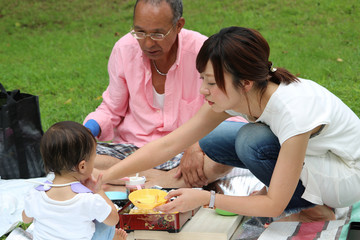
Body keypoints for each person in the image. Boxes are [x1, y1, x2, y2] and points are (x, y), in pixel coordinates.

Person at [101, 26, 360, 223]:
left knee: (252, 141)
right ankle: (294, 192)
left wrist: (207, 198)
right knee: (213, 138)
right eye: (202, 78)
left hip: (347, 175)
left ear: (245, 82)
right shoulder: (245, 92)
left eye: (211, 83)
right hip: (318, 155)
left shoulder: (293, 112)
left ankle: (309, 206)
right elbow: (170, 143)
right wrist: (104, 177)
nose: (203, 90)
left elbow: (273, 206)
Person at [83, 0, 245, 188]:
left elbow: (232, 114)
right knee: (76, 156)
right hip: (134, 150)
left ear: (178, 25)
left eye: (158, 34)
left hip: (187, 154)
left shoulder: (204, 52)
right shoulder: (124, 49)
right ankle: (163, 184)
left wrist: (199, 145)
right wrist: (87, 131)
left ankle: (124, 183)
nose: (148, 42)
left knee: (221, 158)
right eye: (140, 32)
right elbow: (111, 108)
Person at [22, 121, 127, 240]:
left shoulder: (35, 195)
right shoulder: (89, 200)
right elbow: (114, 219)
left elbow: (26, 219)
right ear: (82, 166)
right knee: (104, 218)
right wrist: (99, 191)